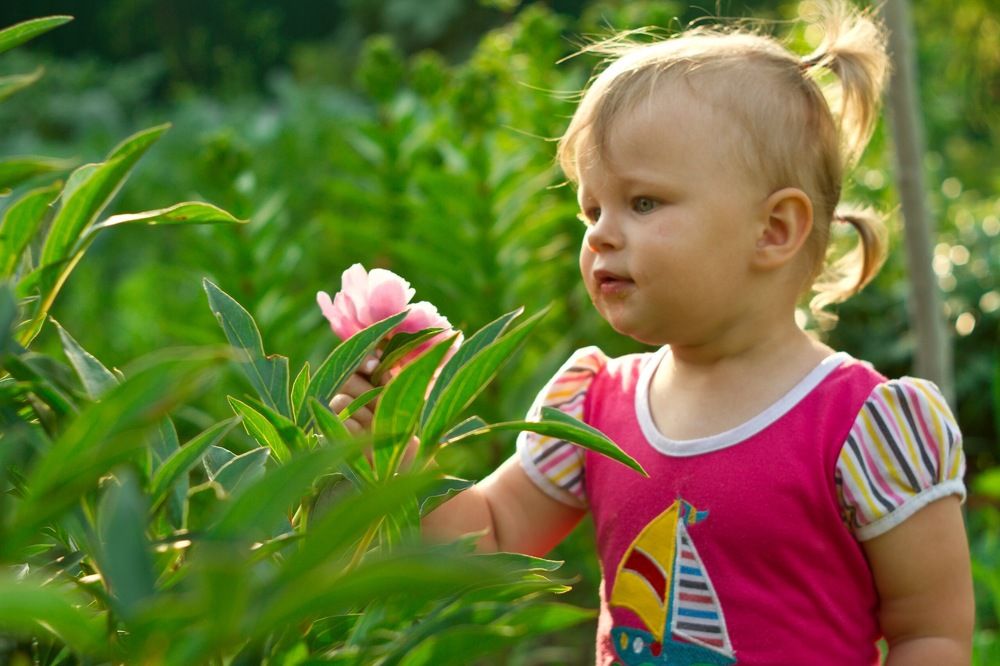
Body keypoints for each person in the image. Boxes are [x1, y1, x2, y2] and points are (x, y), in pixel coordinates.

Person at [330, 2, 974, 663]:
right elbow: (487, 540)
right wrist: (396, 457)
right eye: (592, 207)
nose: (601, 233)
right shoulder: (594, 405)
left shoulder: (859, 426)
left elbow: (932, 634)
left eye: (642, 203)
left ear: (774, 230)